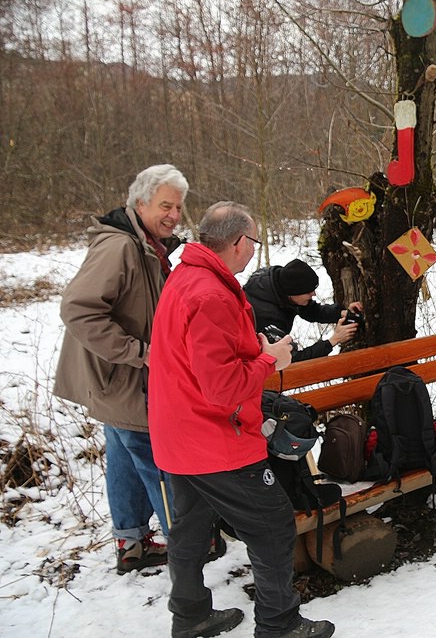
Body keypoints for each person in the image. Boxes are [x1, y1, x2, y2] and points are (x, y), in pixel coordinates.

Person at [148, 202, 334, 638]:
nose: (254, 250)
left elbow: (202, 356)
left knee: (191, 529)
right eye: (254, 241)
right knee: (273, 524)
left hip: (179, 433)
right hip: (214, 437)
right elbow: (221, 387)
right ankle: (279, 624)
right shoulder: (211, 293)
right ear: (237, 242)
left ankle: (190, 616)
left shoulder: (188, 275)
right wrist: (270, 360)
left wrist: (255, 348)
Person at [53, 164, 189, 574]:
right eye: (165, 206)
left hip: (119, 381)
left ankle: (131, 543)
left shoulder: (145, 244)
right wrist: (140, 353)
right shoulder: (120, 247)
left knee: (125, 461)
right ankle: (188, 548)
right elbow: (78, 309)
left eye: (178, 207)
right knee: (156, 459)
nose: (174, 215)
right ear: (140, 203)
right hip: (125, 379)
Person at [244, 258, 361, 362]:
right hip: (250, 363)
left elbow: (311, 311)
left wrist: (342, 313)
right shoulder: (268, 318)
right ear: (292, 293)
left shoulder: (281, 283)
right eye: (308, 292)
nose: (314, 294)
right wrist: (333, 340)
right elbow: (292, 359)